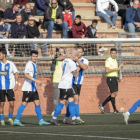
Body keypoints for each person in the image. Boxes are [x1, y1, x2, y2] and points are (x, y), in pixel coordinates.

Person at [13, 50, 51, 126]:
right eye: (33, 56)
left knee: (37, 103)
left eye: (36, 56)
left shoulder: (34, 64)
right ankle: (16, 120)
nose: (35, 57)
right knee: (24, 103)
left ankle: (41, 120)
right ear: (30, 56)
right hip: (28, 88)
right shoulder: (29, 64)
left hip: (33, 88)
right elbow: (26, 74)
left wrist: (36, 82)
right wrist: (35, 80)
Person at [51, 50, 81, 125]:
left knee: (71, 101)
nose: (77, 58)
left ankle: (74, 118)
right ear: (73, 56)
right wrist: (78, 69)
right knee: (62, 101)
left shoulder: (65, 60)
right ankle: (54, 117)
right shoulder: (72, 63)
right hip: (65, 85)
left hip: (67, 84)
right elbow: (76, 75)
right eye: (77, 56)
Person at [63, 46, 89, 124]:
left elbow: (84, 67)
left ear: (83, 53)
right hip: (72, 83)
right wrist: (66, 55)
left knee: (73, 101)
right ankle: (77, 117)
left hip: (79, 83)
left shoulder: (84, 60)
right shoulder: (71, 60)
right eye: (77, 52)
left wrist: (77, 60)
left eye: (80, 52)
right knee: (76, 99)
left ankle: (66, 117)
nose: (79, 53)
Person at [99, 48, 123, 114]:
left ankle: (102, 105)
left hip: (114, 78)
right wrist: (117, 68)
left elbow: (116, 70)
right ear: (110, 53)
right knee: (113, 93)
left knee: (115, 94)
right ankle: (115, 110)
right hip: (110, 78)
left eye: (114, 53)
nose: (113, 54)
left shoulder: (115, 60)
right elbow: (107, 70)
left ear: (116, 54)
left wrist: (118, 76)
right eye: (112, 53)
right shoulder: (108, 60)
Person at [0, 48, 18, 126]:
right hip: (1, 88)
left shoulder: (11, 64)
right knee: (1, 104)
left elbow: (16, 73)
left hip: (10, 87)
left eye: (0, 54)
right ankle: (1, 120)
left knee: (11, 104)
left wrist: (16, 83)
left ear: (4, 55)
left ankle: (10, 119)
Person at [51, 47, 66, 113]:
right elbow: (52, 69)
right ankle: (55, 111)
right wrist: (54, 60)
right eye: (59, 52)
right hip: (56, 80)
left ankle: (69, 111)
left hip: (64, 81)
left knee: (66, 97)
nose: (60, 54)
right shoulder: (56, 60)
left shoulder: (66, 60)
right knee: (56, 98)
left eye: (62, 53)